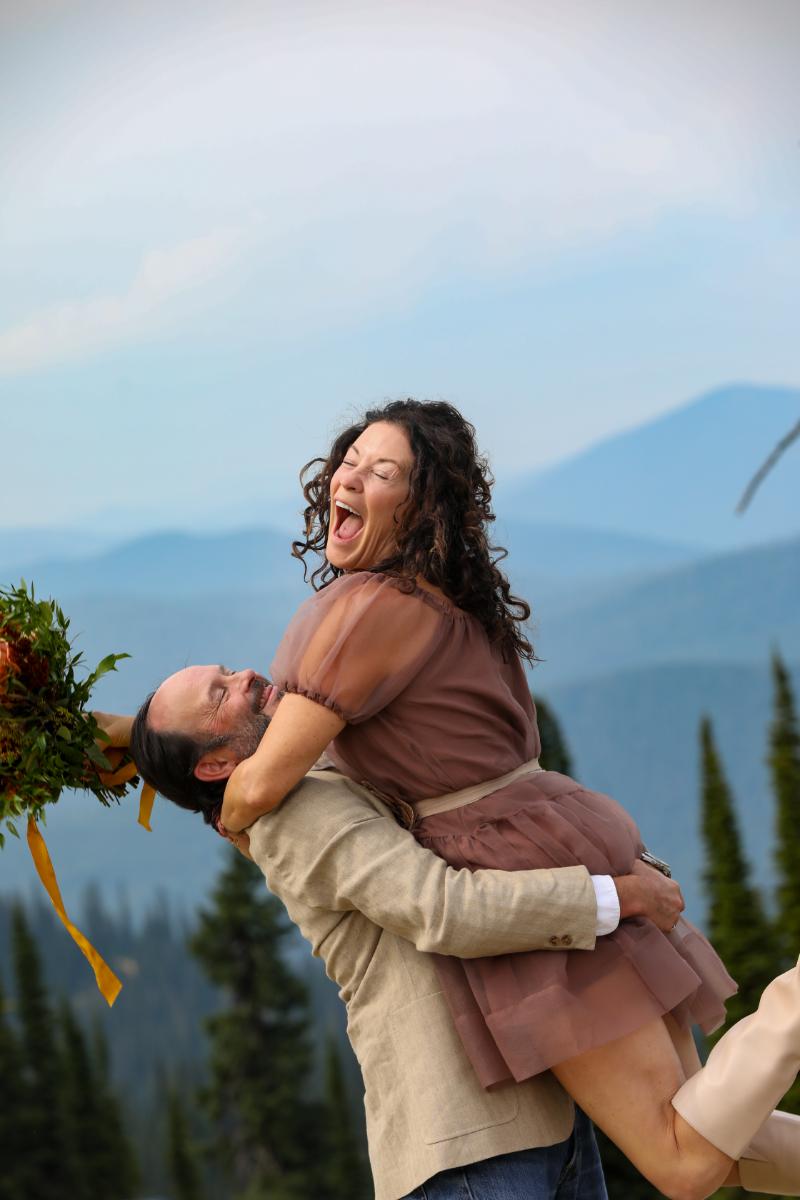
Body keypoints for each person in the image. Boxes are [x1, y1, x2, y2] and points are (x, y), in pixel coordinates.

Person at [209, 399, 800, 1198]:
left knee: (683, 1163)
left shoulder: (364, 610)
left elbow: (265, 777)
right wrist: (114, 740)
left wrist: (221, 808)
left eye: (382, 472)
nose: (351, 477)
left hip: (515, 873)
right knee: (716, 1134)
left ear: (419, 508)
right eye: (348, 460)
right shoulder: (442, 600)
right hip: (559, 833)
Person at [125, 666, 683, 1200]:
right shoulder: (295, 815)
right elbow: (444, 909)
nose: (243, 677)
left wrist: (123, 736)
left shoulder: (301, 770)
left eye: (225, 671)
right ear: (218, 763)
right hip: (466, 1142)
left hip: (531, 1116)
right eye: (219, 695)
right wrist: (620, 896)